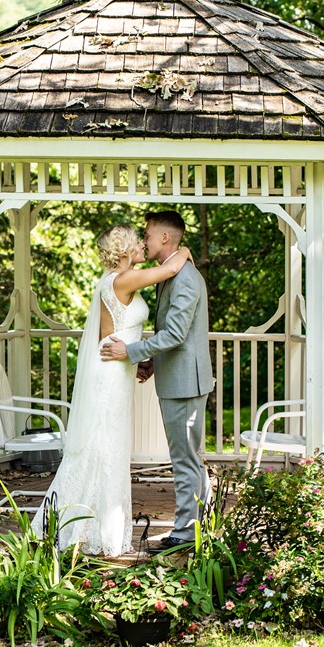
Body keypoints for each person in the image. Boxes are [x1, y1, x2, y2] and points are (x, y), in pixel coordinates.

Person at [32, 224, 193, 557]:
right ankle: (83, 528)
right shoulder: (123, 279)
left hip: (119, 369)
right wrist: (184, 251)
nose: (142, 246)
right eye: (137, 242)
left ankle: (92, 526)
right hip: (110, 374)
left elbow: (123, 331)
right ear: (125, 250)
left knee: (108, 447)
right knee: (103, 446)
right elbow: (169, 269)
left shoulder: (116, 280)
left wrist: (139, 361)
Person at [101, 210, 213, 554]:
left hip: (185, 383)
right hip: (178, 377)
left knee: (184, 460)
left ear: (165, 237)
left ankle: (185, 533)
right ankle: (200, 525)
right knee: (190, 458)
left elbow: (176, 334)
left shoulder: (185, 278)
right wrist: (150, 361)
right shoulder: (170, 273)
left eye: (147, 235)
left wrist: (131, 352)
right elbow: (172, 332)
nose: (145, 240)